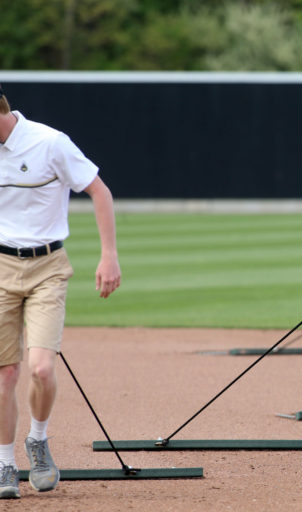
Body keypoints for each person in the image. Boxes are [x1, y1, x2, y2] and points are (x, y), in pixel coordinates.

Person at [0, 85, 121, 499]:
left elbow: (99, 191)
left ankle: (38, 439)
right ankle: (4, 463)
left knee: (41, 369)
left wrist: (109, 257)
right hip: (1, 266)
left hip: (48, 265)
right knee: (5, 374)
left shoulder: (50, 143)